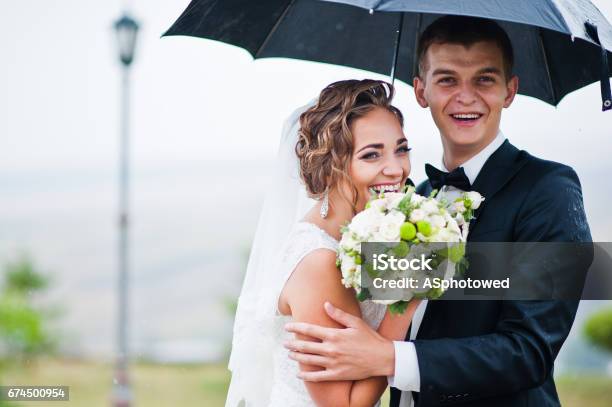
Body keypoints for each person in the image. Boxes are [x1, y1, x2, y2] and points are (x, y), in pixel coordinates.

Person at [284, 16, 592, 407]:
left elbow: (530, 350)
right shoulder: (407, 203)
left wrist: (388, 357)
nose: (466, 96)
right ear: (420, 90)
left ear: (509, 90)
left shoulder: (549, 189)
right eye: (447, 79)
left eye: (484, 79)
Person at [225, 79, 421, 407]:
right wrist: (405, 302)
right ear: (332, 167)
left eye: (401, 148)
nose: (396, 168)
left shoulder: (360, 234)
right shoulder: (318, 261)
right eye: (372, 155)